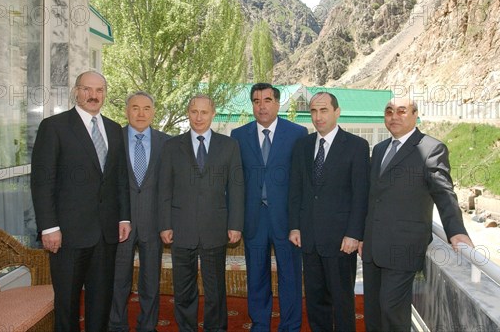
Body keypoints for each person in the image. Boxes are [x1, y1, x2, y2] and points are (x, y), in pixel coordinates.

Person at [359, 97, 474, 332]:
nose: (394, 116)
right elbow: (372, 197)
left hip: (404, 246)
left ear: (415, 115)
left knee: (392, 311)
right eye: (389, 111)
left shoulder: (431, 148)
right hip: (373, 246)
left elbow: (443, 193)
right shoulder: (380, 149)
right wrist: (362, 235)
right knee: (373, 312)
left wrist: (456, 231)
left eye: (402, 111)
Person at [31, 70, 131, 331]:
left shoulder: (113, 129)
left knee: (101, 301)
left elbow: (120, 177)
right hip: (67, 235)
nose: (93, 95)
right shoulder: (54, 127)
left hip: (105, 233)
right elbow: (42, 182)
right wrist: (49, 227)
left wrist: (124, 216)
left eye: (99, 90)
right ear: (76, 91)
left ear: (105, 94)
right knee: (67, 303)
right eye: (87, 89)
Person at [158, 94, 244, 332]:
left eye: (204, 112)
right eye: (194, 112)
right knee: (183, 290)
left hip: (215, 229)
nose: (199, 117)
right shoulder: (171, 146)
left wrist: (235, 224)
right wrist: (164, 224)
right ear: (188, 112)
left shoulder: (229, 146)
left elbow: (236, 188)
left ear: (212, 114)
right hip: (180, 228)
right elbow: (164, 189)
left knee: (215, 289)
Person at [288, 92, 370, 332]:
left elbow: (360, 194)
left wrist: (354, 234)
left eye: (324, 110)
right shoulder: (302, 146)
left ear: (337, 112)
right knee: (315, 302)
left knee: (343, 302)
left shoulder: (356, 146)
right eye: (313, 111)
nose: (318, 117)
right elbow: (296, 190)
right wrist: (294, 226)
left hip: (341, 241)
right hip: (309, 239)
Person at [230, 83, 307, 332]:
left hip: (286, 219)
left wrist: (300, 221)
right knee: (257, 275)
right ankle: (260, 323)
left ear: (277, 103)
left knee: (290, 275)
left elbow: (302, 181)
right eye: (256, 101)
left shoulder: (297, 133)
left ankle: (290, 325)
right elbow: (235, 181)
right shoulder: (238, 135)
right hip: (254, 217)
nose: (261, 106)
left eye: (266, 100)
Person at [109, 92, 171, 332]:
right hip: (120, 223)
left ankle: (148, 325)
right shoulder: (113, 139)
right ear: (127, 111)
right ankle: (116, 325)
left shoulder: (167, 143)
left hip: (154, 222)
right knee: (118, 280)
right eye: (135, 108)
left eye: (147, 108)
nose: (141, 113)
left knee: (150, 281)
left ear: (154, 112)